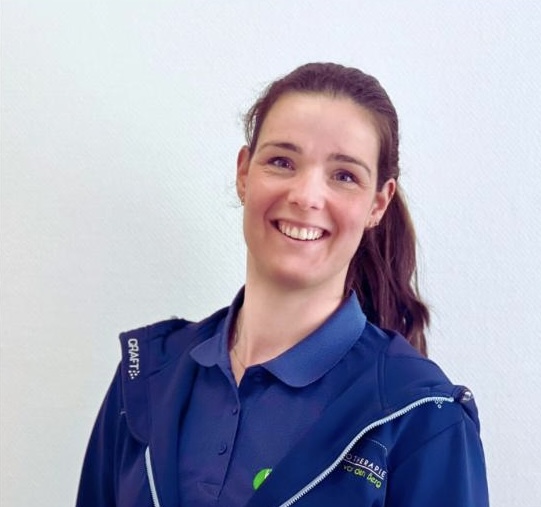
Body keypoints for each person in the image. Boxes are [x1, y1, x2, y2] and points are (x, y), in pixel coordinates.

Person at [76, 62, 489, 506]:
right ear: (244, 173)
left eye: (344, 176)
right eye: (282, 162)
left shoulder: (424, 417)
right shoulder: (147, 375)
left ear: (378, 203)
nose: (306, 195)